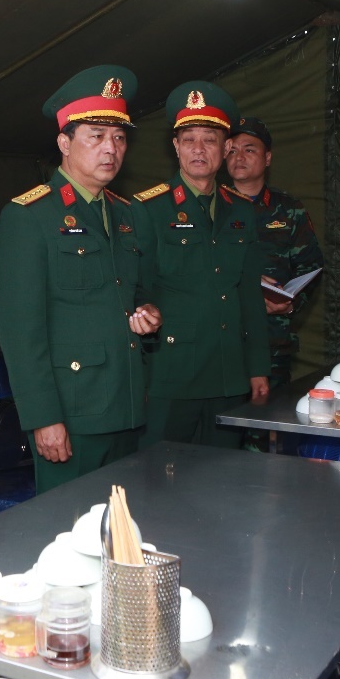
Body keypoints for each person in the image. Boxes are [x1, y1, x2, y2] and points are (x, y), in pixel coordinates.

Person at [0, 66, 162, 493]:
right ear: (64, 143)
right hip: (72, 412)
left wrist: (148, 312)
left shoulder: (125, 214)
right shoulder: (30, 216)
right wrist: (43, 418)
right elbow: (20, 332)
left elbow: (135, 292)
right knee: (68, 525)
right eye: (96, 136)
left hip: (125, 404)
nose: (111, 149)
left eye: (119, 138)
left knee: (124, 524)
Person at [132, 80, 270, 450]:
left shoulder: (240, 210)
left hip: (228, 374)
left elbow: (249, 296)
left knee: (224, 477)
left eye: (209, 140)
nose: (198, 149)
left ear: (225, 149)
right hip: (171, 376)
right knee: (159, 476)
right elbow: (137, 290)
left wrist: (258, 367)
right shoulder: (148, 209)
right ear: (175, 147)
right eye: (189, 139)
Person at [223, 115, 324, 389]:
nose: (239, 157)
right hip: (223, 339)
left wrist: (290, 303)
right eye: (231, 150)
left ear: (267, 158)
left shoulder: (289, 209)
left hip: (272, 342)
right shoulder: (212, 206)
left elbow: (311, 266)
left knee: (268, 413)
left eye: (249, 150)